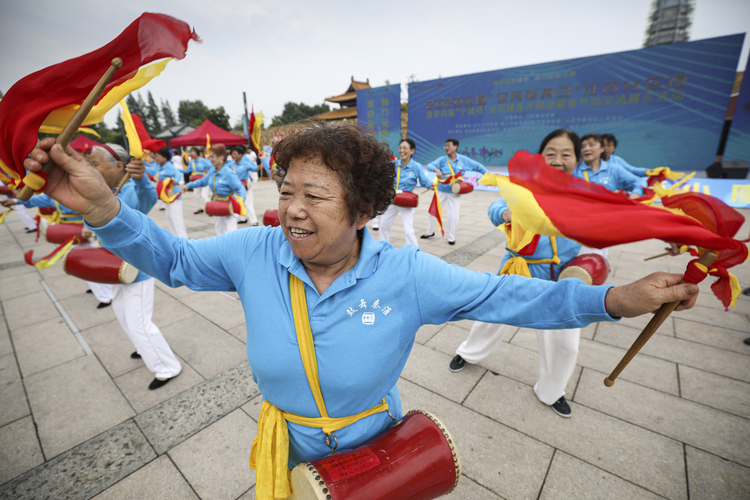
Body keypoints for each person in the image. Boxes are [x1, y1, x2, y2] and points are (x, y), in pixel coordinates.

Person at [25, 123, 699, 500]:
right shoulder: (254, 251)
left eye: (314, 196)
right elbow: (172, 260)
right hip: (286, 438)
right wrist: (105, 212)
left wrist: (617, 299)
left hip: (380, 447)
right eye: (287, 190)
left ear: (366, 210)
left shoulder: (407, 272)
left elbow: (511, 297)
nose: (291, 208)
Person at [450, 129, 585, 418]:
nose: (558, 160)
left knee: (565, 342)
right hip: (518, 270)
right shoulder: (526, 185)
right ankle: (467, 353)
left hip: (560, 279)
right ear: (540, 157)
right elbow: (496, 205)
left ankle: (552, 392)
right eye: (550, 153)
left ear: (577, 159)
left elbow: (619, 224)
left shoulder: (586, 195)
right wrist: (506, 214)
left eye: (566, 154)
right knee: (490, 319)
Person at [85, 144, 182, 389]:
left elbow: (147, 197)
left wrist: (141, 179)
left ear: (119, 166)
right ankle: (144, 348)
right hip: (113, 266)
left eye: (95, 164)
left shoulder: (130, 189)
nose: (91, 168)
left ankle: (167, 367)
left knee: (139, 322)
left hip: (135, 267)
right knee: (122, 314)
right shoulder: (109, 189)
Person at [2, 186, 113, 309]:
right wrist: (16, 201)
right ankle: (100, 289)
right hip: (70, 231)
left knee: (92, 263)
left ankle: (105, 297)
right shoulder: (56, 192)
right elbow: (39, 200)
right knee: (84, 263)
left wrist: (89, 223)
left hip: (87, 231)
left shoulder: (82, 189)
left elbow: (97, 207)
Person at [422, 138, 487, 245]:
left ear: (455, 147)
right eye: (445, 146)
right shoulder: (442, 160)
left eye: (449, 145)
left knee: (453, 215)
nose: (446, 148)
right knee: (434, 212)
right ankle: (429, 232)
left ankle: (451, 237)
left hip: (455, 191)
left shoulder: (463, 160)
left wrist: (487, 174)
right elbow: (430, 165)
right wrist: (436, 170)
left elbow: (477, 166)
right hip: (441, 190)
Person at [379, 138, 432, 247]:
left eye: (405, 148)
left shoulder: (416, 166)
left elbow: (424, 181)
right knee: (383, 226)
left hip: (407, 201)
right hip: (392, 198)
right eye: (400, 148)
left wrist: (430, 184)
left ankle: (414, 252)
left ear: (412, 151)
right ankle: (382, 248)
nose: (402, 150)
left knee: (408, 231)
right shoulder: (393, 164)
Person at [183, 144, 246, 235]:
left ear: (221, 157)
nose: (210, 159)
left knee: (231, 234)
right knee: (219, 233)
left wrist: (241, 199)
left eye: (212, 156)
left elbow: (240, 188)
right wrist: (188, 185)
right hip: (217, 205)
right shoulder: (212, 170)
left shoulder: (228, 173)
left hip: (230, 206)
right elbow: (202, 182)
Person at [153, 147, 188, 238]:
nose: (156, 158)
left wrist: (175, 180)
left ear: (165, 157)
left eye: (158, 156)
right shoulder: (161, 166)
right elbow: (152, 172)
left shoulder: (168, 166)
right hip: (168, 196)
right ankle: (176, 238)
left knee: (176, 218)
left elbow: (177, 173)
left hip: (174, 196)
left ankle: (183, 239)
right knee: (170, 217)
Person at [229, 145, 258, 225]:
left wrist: (261, 163)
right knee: (238, 202)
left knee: (248, 203)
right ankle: (242, 218)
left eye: (235, 154)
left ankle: (254, 221)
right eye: (232, 154)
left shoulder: (245, 163)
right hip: (235, 186)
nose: (233, 155)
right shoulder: (231, 164)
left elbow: (255, 168)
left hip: (245, 186)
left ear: (240, 154)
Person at [179, 147, 212, 214]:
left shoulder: (203, 160)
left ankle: (210, 209)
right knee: (196, 194)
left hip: (204, 179)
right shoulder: (192, 162)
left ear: (197, 152)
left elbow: (211, 168)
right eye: (191, 152)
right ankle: (200, 208)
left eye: (193, 151)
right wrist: (178, 170)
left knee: (204, 195)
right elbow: (187, 170)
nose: (191, 153)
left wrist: (207, 175)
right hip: (196, 180)